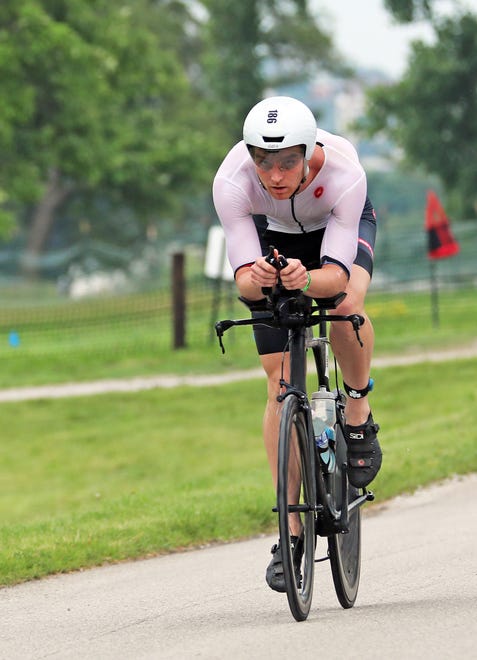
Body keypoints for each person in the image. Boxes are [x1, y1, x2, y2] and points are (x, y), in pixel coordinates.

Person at [212, 95, 382, 592]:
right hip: (274, 239)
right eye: (264, 162)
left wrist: (304, 282)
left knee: (346, 307)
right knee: (279, 384)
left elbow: (334, 278)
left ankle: (356, 413)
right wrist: (261, 275)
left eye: (288, 161)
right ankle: (288, 533)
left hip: (333, 234)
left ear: (309, 152)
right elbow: (243, 282)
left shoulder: (345, 174)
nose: (276, 174)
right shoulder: (232, 183)